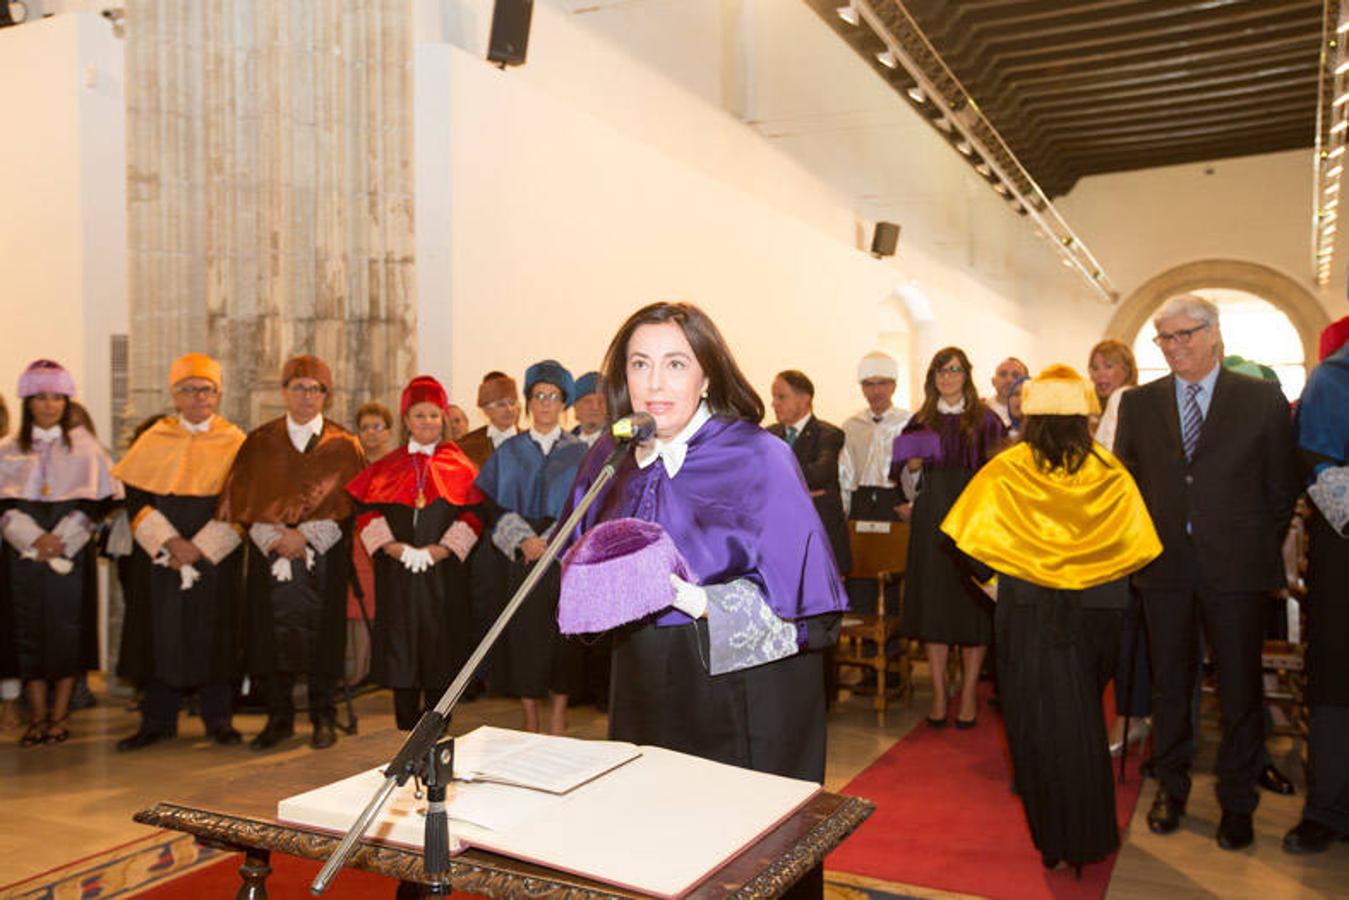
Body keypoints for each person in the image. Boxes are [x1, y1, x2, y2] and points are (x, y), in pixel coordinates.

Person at [558, 302, 848, 785]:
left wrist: (689, 597)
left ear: (707, 376)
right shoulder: (612, 454)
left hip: (738, 688)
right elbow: (573, 555)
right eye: (639, 364)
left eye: (675, 364)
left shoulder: (759, 456)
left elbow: (810, 614)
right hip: (640, 673)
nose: (654, 384)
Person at [942, 364, 1161, 873]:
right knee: (1083, 716)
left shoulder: (1009, 468)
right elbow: (1138, 548)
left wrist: (997, 586)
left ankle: (1055, 837)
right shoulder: (1109, 470)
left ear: (1033, 413)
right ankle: (1090, 835)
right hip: (1097, 612)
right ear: (1084, 414)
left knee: (1034, 725)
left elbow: (960, 539)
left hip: (1028, 611)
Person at [1114, 294, 1300, 850]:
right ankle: (1171, 788)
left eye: (1185, 335)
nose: (1176, 347)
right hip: (1164, 569)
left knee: (1239, 689)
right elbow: (1128, 484)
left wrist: (1251, 546)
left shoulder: (1261, 399)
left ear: (1214, 334)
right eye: (1165, 339)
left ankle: (1237, 801)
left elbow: (1280, 488)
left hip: (1237, 570)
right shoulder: (1140, 403)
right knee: (1172, 686)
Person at [217, 354, 365, 751]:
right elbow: (243, 502)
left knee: (325, 638)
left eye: (315, 389)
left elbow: (351, 507)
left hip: (324, 558)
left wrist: (307, 537)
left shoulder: (344, 445)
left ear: (326, 395)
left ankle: (323, 717)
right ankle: (278, 719)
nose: (306, 396)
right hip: (271, 556)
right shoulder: (260, 442)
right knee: (269, 637)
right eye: (298, 387)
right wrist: (276, 537)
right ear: (284, 392)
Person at [111, 353, 247, 750]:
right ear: (175, 394)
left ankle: (218, 719)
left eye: (205, 389)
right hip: (161, 556)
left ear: (218, 394)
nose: (198, 397)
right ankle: (157, 720)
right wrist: (170, 543)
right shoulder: (153, 439)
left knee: (215, 632)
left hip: (213, 555)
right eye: (188, 389)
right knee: (158, 632)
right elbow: (136, 498)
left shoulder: (236, 441)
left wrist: (200, 548)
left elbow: (242, 501)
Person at [346, 376, 484, 730]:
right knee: (401, 646)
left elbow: (475, 514)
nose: (427, 423)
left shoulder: (460, 464)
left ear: (443, 419)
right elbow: (365, 509)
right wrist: (392, 548)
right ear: (406, 419)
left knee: (442, 645)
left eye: (434, 416)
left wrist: (441, 550)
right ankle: (405, 728)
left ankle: (439, 726)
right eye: (419, 416)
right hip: (399, 573)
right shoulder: (387, 465)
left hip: (443, 575)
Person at [0, 360, 121, 746]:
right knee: (27, 631)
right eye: (40, 397)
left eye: (56, 397)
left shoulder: (88, 448)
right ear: (27, 402)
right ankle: (35, 716)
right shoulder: (7, 449)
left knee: (67, 631)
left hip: (72, 549)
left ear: (66, 401)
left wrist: (63, 538)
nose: (49, 405)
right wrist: (31, 538)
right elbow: (3, 507)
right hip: (22, 554)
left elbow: (99, 503)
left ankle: (60, 715)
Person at [894, 347, 1006, 728]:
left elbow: (1000, 479)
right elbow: (907, 487)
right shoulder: (920, 421)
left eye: (955, 370)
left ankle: (970, 692)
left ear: (966, 375)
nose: (948, 377)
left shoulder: (987, 421)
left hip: (975, 519)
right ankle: (940, 694)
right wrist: (912, 469)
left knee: (972, 608)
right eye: (941, 371)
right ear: (933, 378)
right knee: (936, 607)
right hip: (932, 522)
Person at [475, 361, 588, 734]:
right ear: (528, 402)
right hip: (523, 550)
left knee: (563, 633)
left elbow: (587, 502)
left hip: (564, 553)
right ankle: (529, 713)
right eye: (538, 395)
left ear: (563, 403)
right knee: (526, 633)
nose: (545, 403)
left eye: (553, 396)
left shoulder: (579, 451)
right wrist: (523, 539)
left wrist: (555, 539)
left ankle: (558, 711)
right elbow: (491, 502)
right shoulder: (510, 451)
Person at [1283, 316, 1349, 853]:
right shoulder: (1333, 378)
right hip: (1344, 554)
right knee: (1335, 682)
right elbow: (1317, 462)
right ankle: (1327, 809)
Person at [1085, 339, 1149, 755]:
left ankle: (1130, 717)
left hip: (1119, 534)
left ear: (1127, 368)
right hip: (1126, 532)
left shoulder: (1125, 401)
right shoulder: (1116, 407)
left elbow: (1107, 473)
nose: (1101, 374)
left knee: (1126, 632)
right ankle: (1133, 715)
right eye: (1095, 367)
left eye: (1110, 365)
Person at [768, 370, 851, 573]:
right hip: (778, 539)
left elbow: (821, 473)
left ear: (805, 398)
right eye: (773, 397)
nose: (773, 403)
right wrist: (801, 491)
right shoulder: (768, 434)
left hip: (817, 539)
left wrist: (776, 482)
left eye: (781, 397)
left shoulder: (828, 434)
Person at [348, 402, 395, 686]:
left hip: (389, 544)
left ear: (389, 431)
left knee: (386, 608)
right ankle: (359, 669)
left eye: (377, 427)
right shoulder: (353, 464)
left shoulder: (396, 465)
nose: (371, 434)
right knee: (356, 608)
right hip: (356, 543)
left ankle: (380, 668)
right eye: (365, 428)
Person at [839, 352, 910, 520]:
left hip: (897, 499)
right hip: (860, 500)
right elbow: (844, 474)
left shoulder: (909, 423)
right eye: (869, 384)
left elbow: (918, 472)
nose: (876, 391)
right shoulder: (851, 426)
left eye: (882, 383)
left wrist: (913, 505)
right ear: (862, 388)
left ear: (893, 386)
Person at [457, 372, 520, 468]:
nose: (509, 409)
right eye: (501, 405)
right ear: (486, 410)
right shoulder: (466, 446)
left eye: (512, 403)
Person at [984, 357, 1030, 429]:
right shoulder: (980, 411)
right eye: (1003, 374)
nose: (1009, 380)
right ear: (993, 381)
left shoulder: (1033, 416)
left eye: (1016, 375)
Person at [571, 372, 608, 446]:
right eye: (587, 401)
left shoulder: (621, 444)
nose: (595, 407)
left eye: (601, 401)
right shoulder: (562, 446)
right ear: (575, 407)